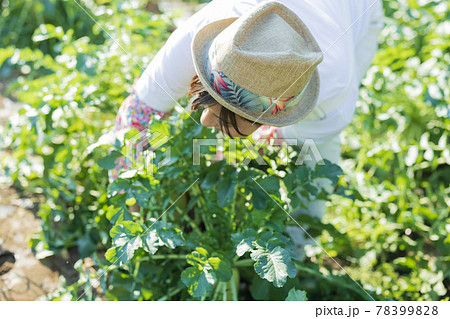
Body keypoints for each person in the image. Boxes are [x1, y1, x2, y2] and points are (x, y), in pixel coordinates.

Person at [112, 0, 383, 258]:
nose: (205, 120)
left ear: (274, 116)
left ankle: (298, 244)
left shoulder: (333, 95)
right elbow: (138, 113)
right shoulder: (202, 33)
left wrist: (243, 154)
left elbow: (291, 137)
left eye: (227, 113)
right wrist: (132, 198)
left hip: (358, 9)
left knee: (314, 155)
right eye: (209, 93)